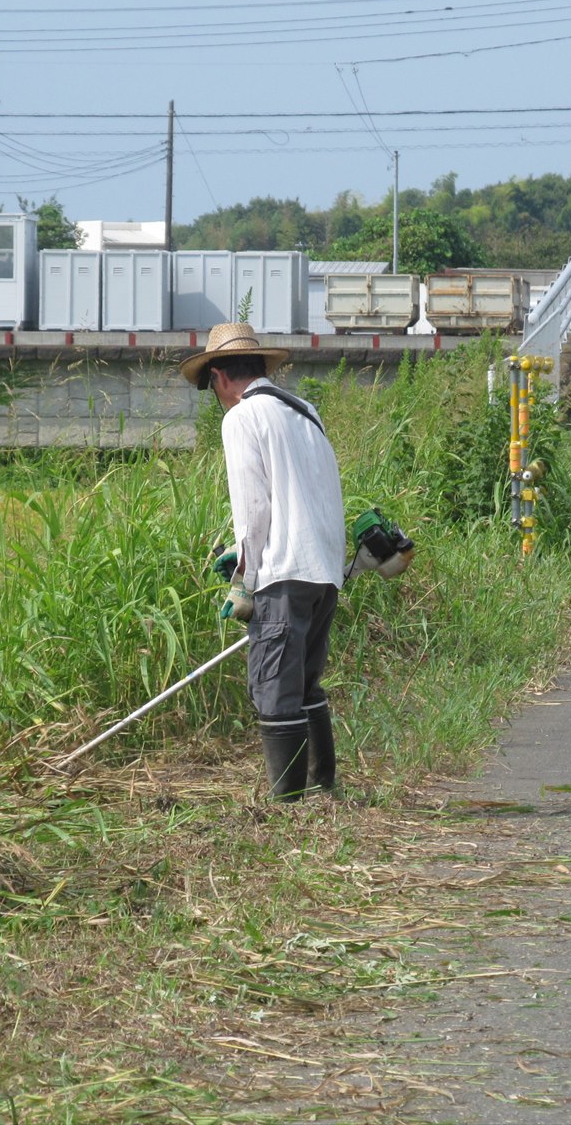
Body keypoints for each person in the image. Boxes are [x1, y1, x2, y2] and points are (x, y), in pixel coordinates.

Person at [179, 322, 345, 800]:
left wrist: (243, 576)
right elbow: (309, 494)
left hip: (281, 574)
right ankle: (321, 792)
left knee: (273, 687)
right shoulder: (304, 411)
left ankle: (289, 804)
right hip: (323, 571)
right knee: (306, 685)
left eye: (208, 384)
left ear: (219, 376)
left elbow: (253, 506)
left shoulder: (242, 418)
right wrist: (244, 550)